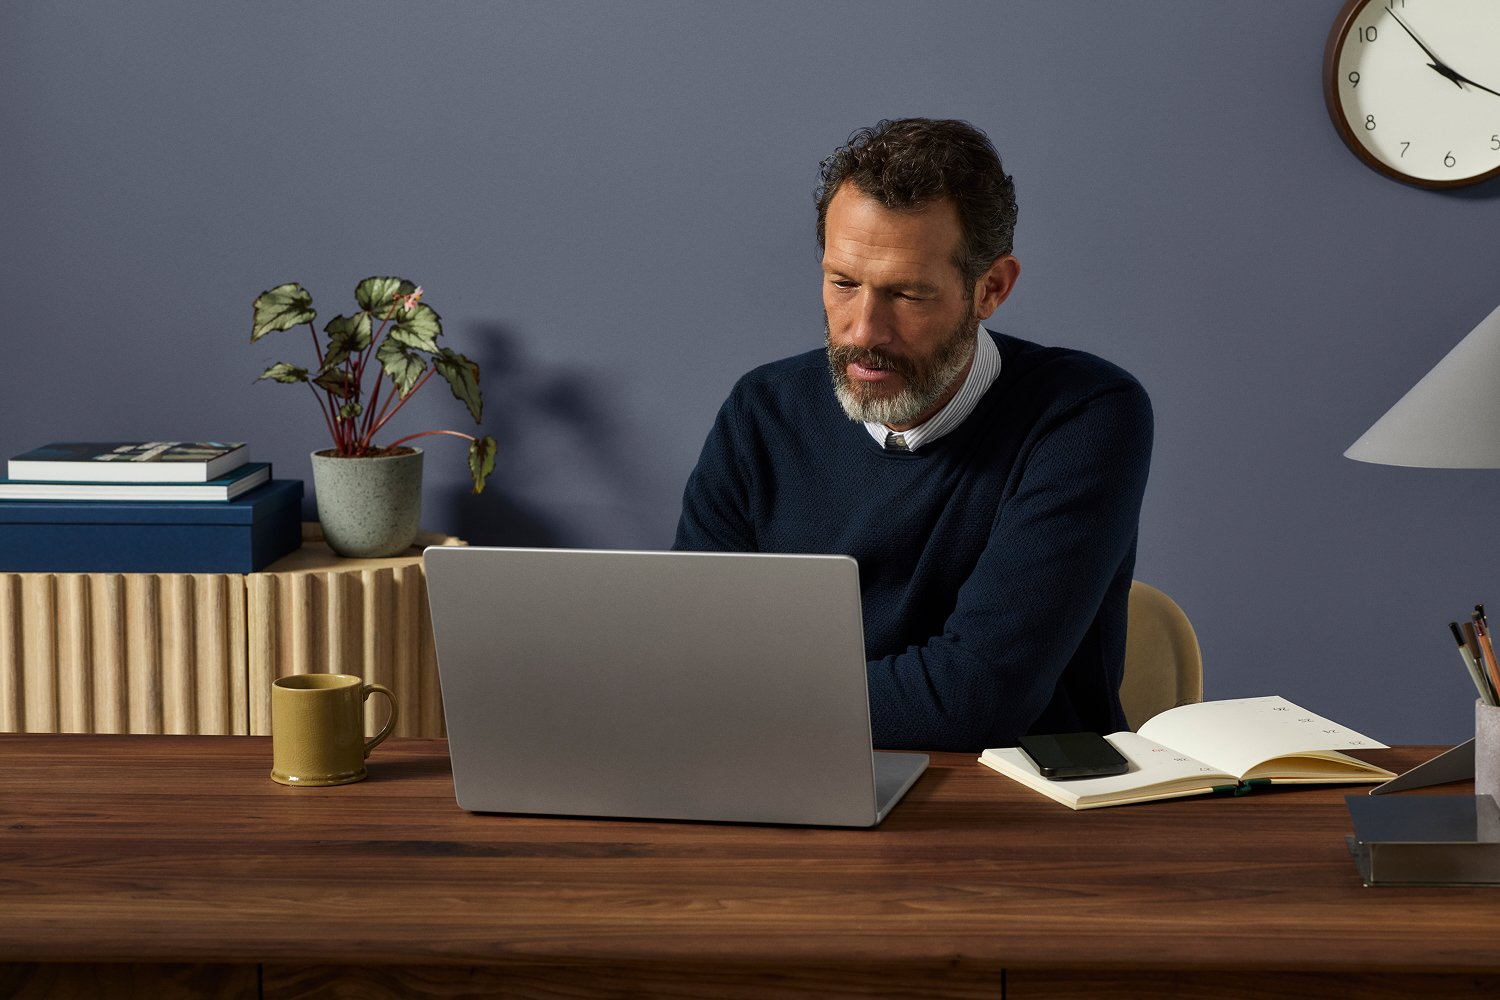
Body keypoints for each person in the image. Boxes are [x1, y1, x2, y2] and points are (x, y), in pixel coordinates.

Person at [673, 118, 1153, 753]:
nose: (863, 330)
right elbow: (688, 662)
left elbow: (974, 702)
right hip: (795, 779)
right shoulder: (762, 410)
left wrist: (747, 697)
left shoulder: (1083, 415)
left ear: (991, 288)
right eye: (843, 283)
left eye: (906, 293)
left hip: (1020, 815)